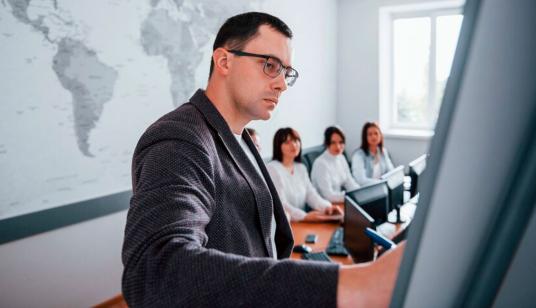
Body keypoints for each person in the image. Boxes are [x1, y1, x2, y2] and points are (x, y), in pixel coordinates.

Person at [122, 12, 404, 307]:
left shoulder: (241, 137)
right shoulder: (179, 138)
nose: (282, 84)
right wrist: (352, 285)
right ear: (224, 62)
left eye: (286, 72)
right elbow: (156, 273)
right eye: (270, 65)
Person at [267, 127, 343, 222]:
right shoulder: (272, 168)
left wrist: (327, 207)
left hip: (302, 222)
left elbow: (310, 194)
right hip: (284, 224)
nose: (294, 145)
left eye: (296, 141)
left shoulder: (301, 167)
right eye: (287, 142)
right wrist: (304, 216)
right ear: (278, 146)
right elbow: (281, 203)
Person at [311, 126, 360, 203]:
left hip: (339, 201)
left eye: (341, 142)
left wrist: (359, 192)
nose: (338, 146)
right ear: (327, 144)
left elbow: (349, 182)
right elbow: (328, 196)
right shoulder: (320, 163)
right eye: (333, 143)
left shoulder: (341, 157)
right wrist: (351, 197)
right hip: (325, 206)